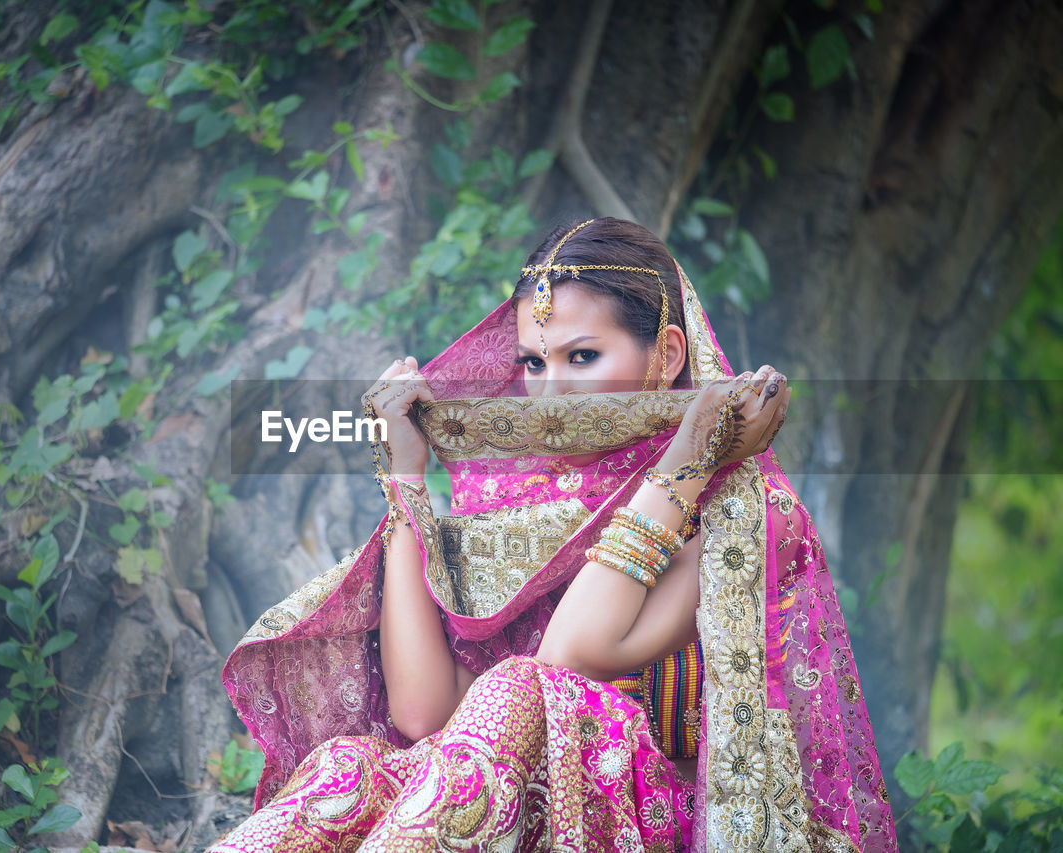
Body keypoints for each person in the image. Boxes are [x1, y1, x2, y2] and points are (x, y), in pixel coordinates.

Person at [208, 218, 898, 851]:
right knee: (349, 767)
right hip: (508, 811)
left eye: (582, 356)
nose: (551, 391)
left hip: (659, 823)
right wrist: (406, 486)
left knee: (522, 694)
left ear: (666, 352)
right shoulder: (528, 506)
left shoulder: (743, 510)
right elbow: (425, 712)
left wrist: (689, 460)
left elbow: (565, 661)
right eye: (535, 363)